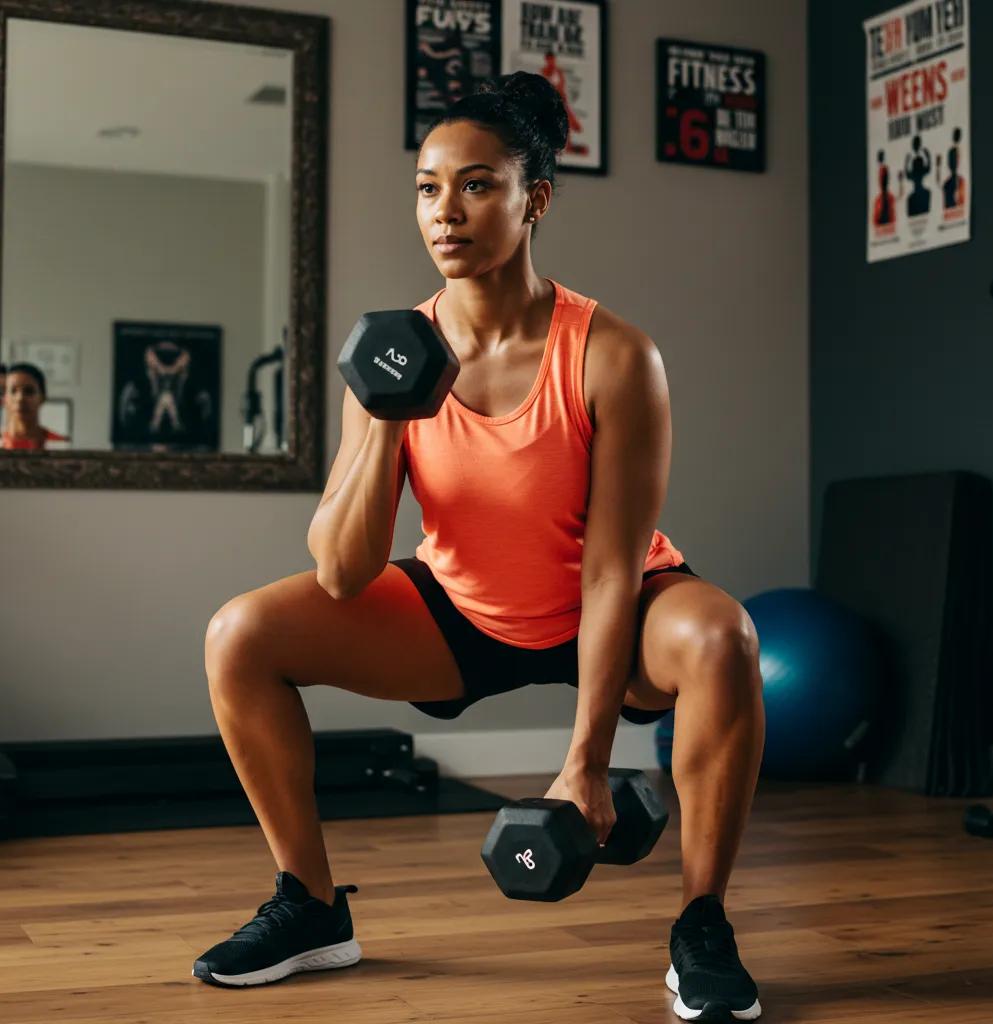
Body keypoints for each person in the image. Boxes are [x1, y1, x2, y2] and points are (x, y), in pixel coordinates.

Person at [196, 71, 765, 1020]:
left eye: (475, 184)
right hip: (461, 610)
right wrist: (386, 416)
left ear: (533, 198)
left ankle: (702, 924)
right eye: (427, 187)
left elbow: (613, 563)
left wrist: (583, 761)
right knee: (240, 635)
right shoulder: (389, 349)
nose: (444, 212)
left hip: (612, 609)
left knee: (723, 641)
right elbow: (344, 570)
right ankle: (311, 906)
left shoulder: (614, 354)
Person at [1, 362, 69, 450]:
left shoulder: (61, 445)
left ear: (42, 398)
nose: (20, 398)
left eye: (29, 391)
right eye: (13, 391)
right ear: (4, 399)